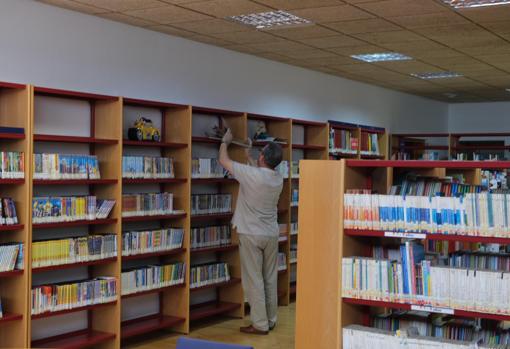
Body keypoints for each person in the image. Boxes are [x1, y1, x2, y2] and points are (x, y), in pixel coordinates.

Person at [218, 128, 284, 335]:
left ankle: (259, 324)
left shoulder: (252, 175)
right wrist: (248, 154)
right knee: (269, 278)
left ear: (263, 157)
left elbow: (223, 160)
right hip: (271, 234)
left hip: (251, 234)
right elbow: (256, 171)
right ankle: (271, 320)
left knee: (254, 280)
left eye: (260, 153)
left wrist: (225, 142)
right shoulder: (277, 178)